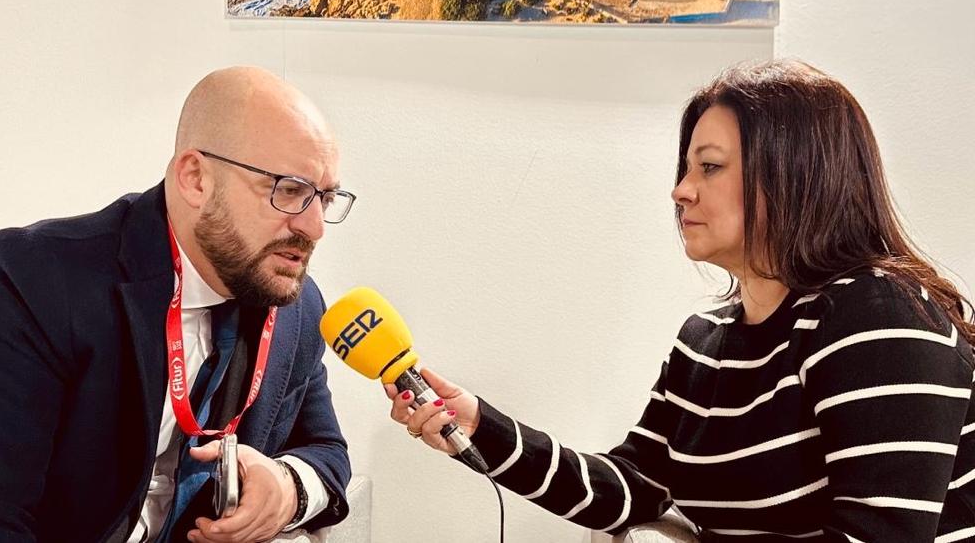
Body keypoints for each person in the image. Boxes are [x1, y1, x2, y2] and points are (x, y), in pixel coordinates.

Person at [387, 60, 975, 542]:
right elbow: (632, 487)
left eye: (710, 168)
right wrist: (481, 425)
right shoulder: (706, 340)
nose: (680, 190)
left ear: (797, 175)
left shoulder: (883, 318)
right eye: (687, 167)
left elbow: (880, 537)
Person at [0, 66, 353, 543]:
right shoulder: (28, 282)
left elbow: (327, 451)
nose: (315, 227)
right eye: (289, 190)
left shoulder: (297, 305)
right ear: (195, 178)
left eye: (324, 198)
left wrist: (289, 489)